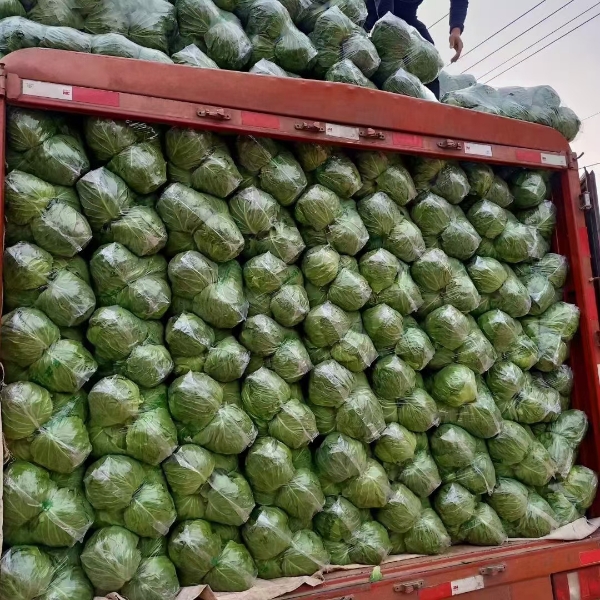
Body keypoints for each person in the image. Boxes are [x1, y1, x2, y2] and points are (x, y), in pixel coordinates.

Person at [365, 0, 469, 99]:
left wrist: (456, 30)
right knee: (371, 56)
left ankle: (428, 112)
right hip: (375, 11)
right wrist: (388, 25)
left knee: (430, 62)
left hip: (407, 16)